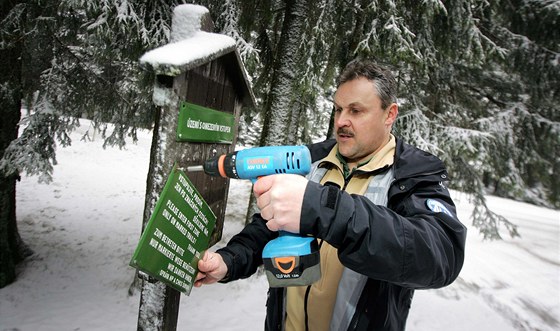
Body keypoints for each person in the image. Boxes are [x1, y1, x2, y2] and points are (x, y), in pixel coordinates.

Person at [194, 58, 467, 331]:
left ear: (390, 114)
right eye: (338, 109)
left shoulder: (413, 174)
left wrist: (324, 208)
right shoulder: (309, 160)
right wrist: (228, 262)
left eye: (356, 111)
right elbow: (268, 228)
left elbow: (441, 255)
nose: (341, 121)